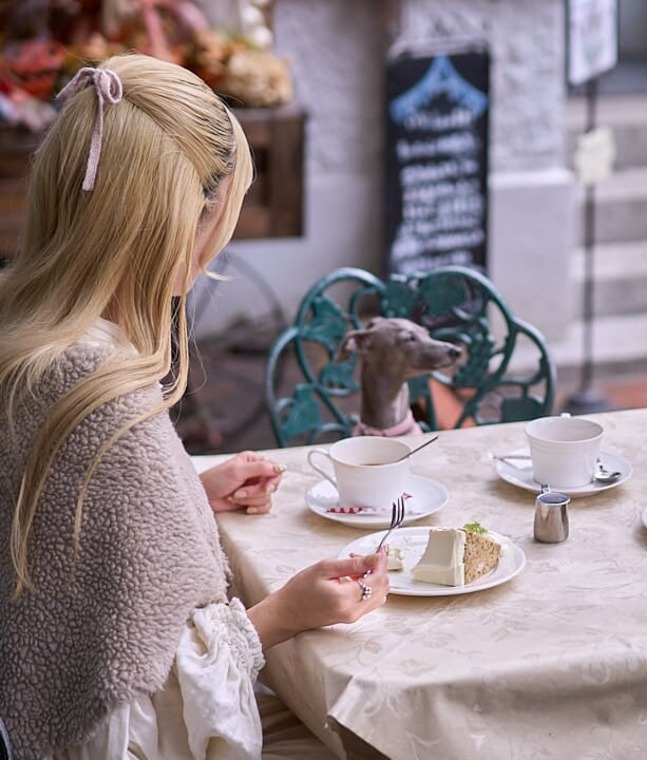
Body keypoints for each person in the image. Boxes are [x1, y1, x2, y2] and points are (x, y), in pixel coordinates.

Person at [0, 54, 390, 759]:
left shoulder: (26, 335)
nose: (213, 248)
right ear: (176, 221)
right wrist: (285, 614)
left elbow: (64, 538)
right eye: (217, 217)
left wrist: (183, 494)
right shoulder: (99, 390)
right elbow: (158, 704)